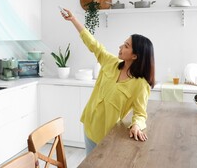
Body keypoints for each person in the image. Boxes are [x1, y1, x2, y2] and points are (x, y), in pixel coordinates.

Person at [59, 8, 155, 154]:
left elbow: (140, 114)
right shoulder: (111, 62)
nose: (121, 47)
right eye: (124, 43)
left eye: (126, 46)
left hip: (109, 134)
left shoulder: (140, 84)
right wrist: (73, 20)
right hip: (90, 125)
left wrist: (136, 125)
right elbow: (94, 45)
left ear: (135, 56)